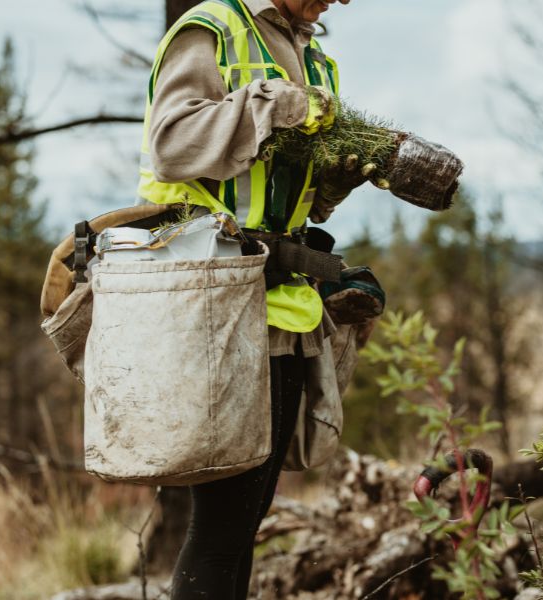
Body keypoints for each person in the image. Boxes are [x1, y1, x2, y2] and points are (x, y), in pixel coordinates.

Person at [135, 0, 363, 598]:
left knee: (242, 523)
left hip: (280, 303)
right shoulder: (212, 28)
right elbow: (172, 144)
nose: (339, 1)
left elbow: (274, 190)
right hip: (209, 300)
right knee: (219, 529)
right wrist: (272, 104)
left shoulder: (316, 57)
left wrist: (331, 183)